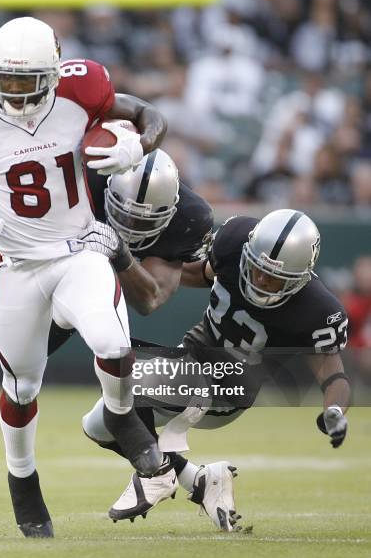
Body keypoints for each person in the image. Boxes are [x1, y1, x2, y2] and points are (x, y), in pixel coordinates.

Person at [0, 16, 170, 539]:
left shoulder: (83, 89)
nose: (15, 94)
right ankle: (23, 482)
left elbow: (150, 114)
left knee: (111, 340)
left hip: (77, 249)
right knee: (21, 387)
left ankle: (123, 418)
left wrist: (140, 146)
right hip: (16, 264)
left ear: (56, 72)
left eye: (26, 81)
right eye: (6, 80)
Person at [81, 209, 350, 531]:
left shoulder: (318, 310)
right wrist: (134, 270)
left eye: (275, 277)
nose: (261, 280)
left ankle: (155, 475)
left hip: (229, 388)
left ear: (301, 276)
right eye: (257, 269)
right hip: (191, 357)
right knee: (99, 423)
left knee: (126, 386)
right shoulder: (234, 241)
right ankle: (200, 480)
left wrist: (335, 409)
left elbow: (333, 374)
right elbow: (201, 273)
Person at [0, 148, 213, 418]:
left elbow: (150, 298)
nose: (131, 226)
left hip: (116, 265)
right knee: (19, 342)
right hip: (63, 248)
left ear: (171, 209)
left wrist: (120, 252)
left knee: (104, 361)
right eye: (124, 214)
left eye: (144, 221)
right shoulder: (82, 180)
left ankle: (155, 456)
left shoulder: (190, 219)